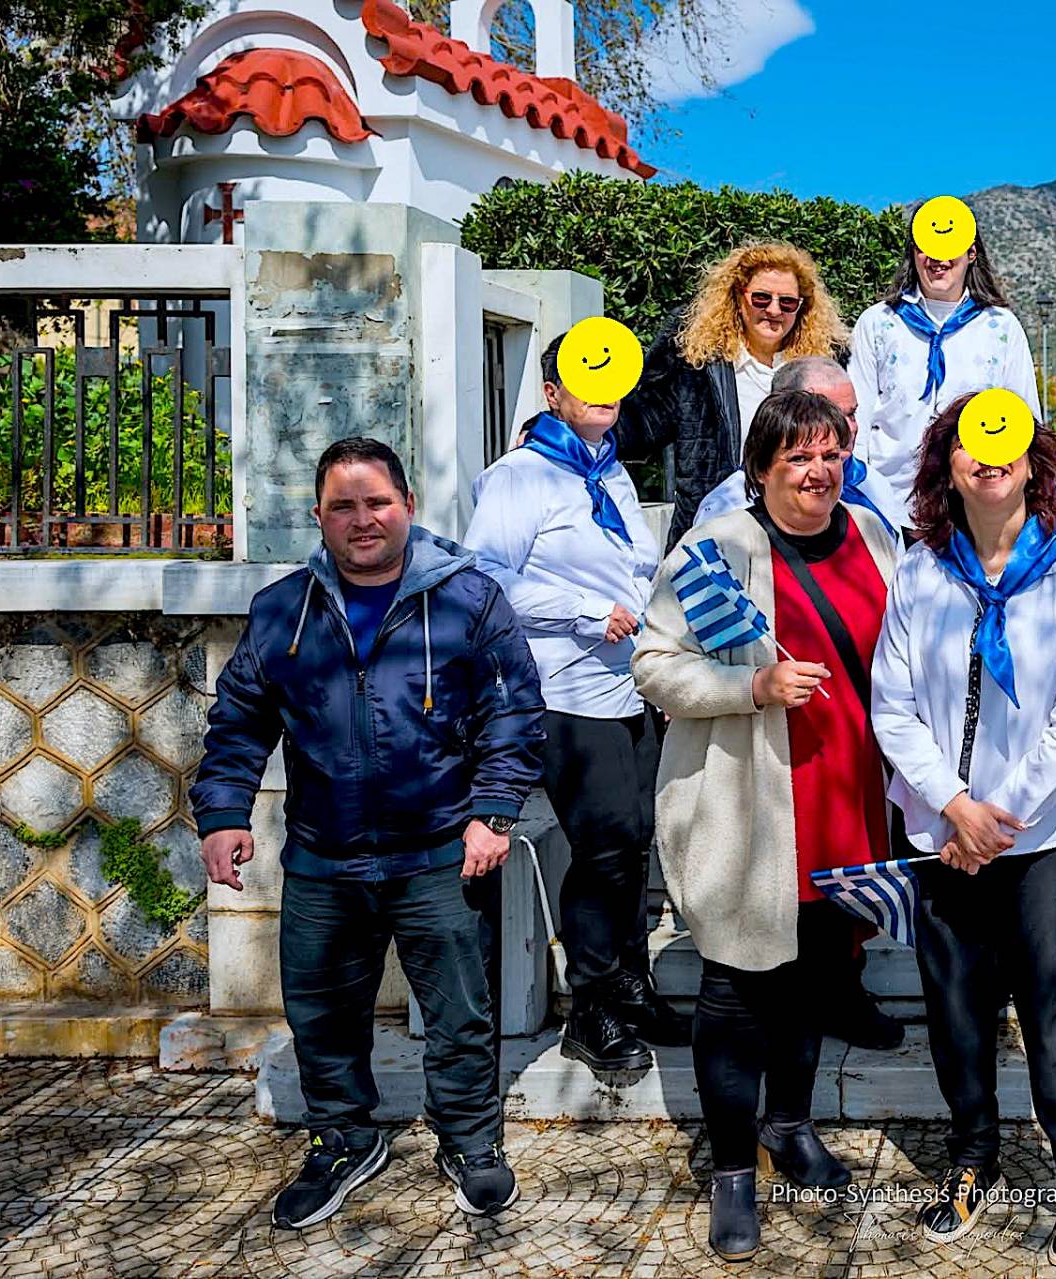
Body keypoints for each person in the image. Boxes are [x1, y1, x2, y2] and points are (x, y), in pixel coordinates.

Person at [191, 438, 545, 1227]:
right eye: (343, 506)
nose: (362, 519)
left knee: (460, 1016)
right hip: (325, 857)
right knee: (321, 1016)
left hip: (440, 852)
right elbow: (239, 722)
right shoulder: (283, 611)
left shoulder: (469, 600)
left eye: (377, 502)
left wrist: (493, 813)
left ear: (408, 506)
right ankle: (344, 1140)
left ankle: (470, 1141)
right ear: (318, 515)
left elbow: (514, 714)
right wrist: (223, 815)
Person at [632, 390, 900, 1262]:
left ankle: (788, 1123)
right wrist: (750, 687)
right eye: (797, 458)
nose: (818, 471)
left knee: (818, 971)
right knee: (737, 988)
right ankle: (731, 1168)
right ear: (759, 469)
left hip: (848, 796)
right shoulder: (716, 548)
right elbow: (653, 664)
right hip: (754, 803)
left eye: (830, 453)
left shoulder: (874, 536)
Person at [870, 394, 1056, 1268]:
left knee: (1054, 1015)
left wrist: (995, 816)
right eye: (970, 445)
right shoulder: (919, 573)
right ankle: (971, 1155)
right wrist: (952, 804)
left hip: (1044, 839)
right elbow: (892, 705)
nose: (989, 458)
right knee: (957, 1011)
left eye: (1005, 442)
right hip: (942, 833)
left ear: (1032, 462)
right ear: (947, 464)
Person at [466, 337, 684, 1080]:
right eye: (584, 379)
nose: (603, 391)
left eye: (613, 379)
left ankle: (630, 986)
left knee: (635, 841)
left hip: (630, 685)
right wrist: (584, 610)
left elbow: (634, 570)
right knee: (604, 845)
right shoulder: (520, 477)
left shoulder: (609, 470)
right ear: (551, 392)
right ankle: (591, 1007)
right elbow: (483, 576)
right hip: (564, 691)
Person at [618, 242, 849, 544]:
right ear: (739, 297)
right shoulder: (696, 363)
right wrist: (578, 405)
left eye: (788, 302)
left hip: (802, 534)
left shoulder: (821, 366)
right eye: (761, 298)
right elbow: (639, 427)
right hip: (713, 533)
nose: (774, 310)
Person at [848, 213, 1038, 530]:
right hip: (888, 509)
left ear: (971, 252)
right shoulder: (878, 323)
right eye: (927, 245)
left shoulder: (1001, 328)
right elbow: (857, 419)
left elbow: (1024, 420)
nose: (938, 257)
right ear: (914, 251)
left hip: (972, 513)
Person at [691, 357, 894, 541]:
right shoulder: (728, 507)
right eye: (830, 416)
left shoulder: (871, 483)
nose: (848, 429)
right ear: (784, 414)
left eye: (851, 414)